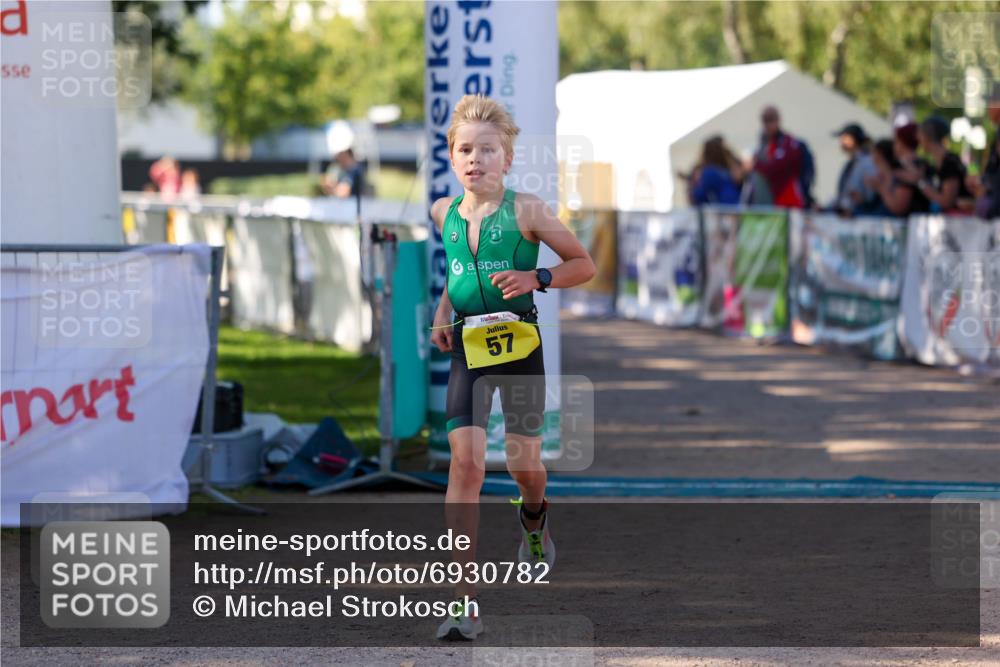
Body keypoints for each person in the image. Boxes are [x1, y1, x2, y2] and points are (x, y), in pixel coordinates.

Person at [429, 94, 596, 641]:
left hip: (520, 346)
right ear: (452, 157)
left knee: (525, 465)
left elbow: (583, 264)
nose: (475, 159)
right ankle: (463, 602)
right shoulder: (443, 213)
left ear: (507, 158)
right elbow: (458, 275)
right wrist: (442, 311)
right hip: (468, 352)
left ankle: (534, 517)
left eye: (488, 150)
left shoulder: (527, 210)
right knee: (467, 465)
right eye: (465, 150)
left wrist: (538, 279)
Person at [914, 115, 975, 214]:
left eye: (920, 135)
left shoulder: (949, 163)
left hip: (958, 222)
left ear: (927, 137)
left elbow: (947, 201)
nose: (918, 139)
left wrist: (921, 183)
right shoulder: (939, 162)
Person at [747, 106, 806, 208]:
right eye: (765, 121)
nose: (768, 125)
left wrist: (754, 164)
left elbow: (774, 168)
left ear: (778, 120)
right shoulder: (764, 144)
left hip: (788, 202)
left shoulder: (787, 143)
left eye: (771, 120)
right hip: (770, 202)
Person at [830, 123, 877, 216]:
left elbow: (869, 194)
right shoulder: (852, 162)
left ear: (853, 139)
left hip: (859, 214)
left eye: (844, 138)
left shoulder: (866, 162)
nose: (841, 141)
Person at [859, 139, 915, 217]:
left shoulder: (900, 177)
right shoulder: (880, 177)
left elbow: (898, 208)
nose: (872, 156)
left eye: (874, 152)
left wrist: (881, 188)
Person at [685, 135, 743, 205]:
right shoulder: (727, 167)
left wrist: (691, 189)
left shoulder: (709, 172)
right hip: (736, 204)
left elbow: (699, 196)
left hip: (724, 208)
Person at [890, 122, 931, 215]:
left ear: (902, 142)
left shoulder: (904, 166)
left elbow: (899, 206)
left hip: (911, 222)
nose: (894, 146)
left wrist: (882, 188)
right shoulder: (923, 163)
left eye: (896, 141)